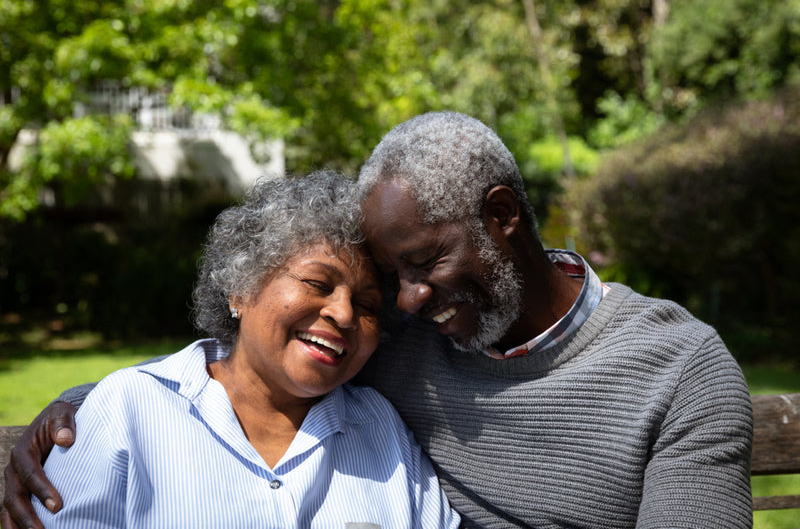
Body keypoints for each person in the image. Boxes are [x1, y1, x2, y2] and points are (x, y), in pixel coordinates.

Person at [3, 112, 752, 529]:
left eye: (423, 264)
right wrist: (81, 412)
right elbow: (250, 360)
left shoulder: (678, 369)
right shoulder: (405, 339)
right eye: (391, 280)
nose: (404, 303)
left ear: (501, 218)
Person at [10, 171, 459, 528]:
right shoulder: (128, 411)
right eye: (316, 283)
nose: (343, 314)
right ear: (241, 290)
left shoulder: (381, 427)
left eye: (367, 305)